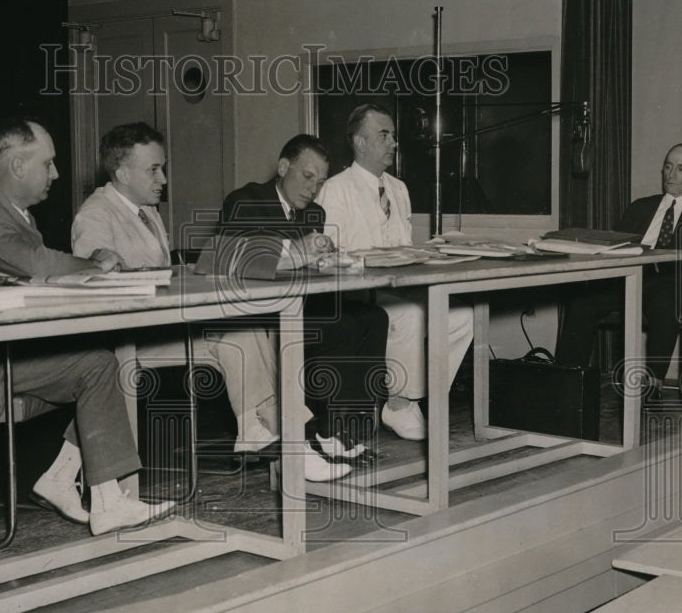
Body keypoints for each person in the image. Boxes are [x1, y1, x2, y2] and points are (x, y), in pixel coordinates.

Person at [0, 117, 174, 535]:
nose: (56, 173)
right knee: (99, 366)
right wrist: (94, 264)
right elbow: (35, 264)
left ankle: (64, 480)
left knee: (99, 367)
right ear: (17, 166)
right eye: (47, 163)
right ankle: (108, 503)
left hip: (3, 353)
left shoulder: (13, 213)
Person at [72, 122, 283, 455]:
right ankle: (275, 424)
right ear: (123, 173)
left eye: (163, 168)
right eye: (154, 170)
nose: (164, 180)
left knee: (247, 324)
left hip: (162, 326)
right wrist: (104, 263)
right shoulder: (95, 214)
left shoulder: (147, 212)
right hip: (127, 339)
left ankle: (259, 424)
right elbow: (92, 277)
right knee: (239, 331)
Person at [219, 134, 391, 481]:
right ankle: (319, 430)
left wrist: (328, 258)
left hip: (297, 304)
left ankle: (342, 430)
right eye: (307, 176)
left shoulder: (315, 213)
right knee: (338, 326)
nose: (313, 188)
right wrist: (300, 250)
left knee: (373, 317)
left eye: (321, 181)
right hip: (257, 312)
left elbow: (309, 267)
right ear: (283, 168)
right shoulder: (245, 200)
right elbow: (239, 260)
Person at [317, 104, 475, 440]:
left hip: (398, 285)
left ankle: (417, 396)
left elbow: (404, 244)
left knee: (461, 315)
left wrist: (431, 250)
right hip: (356, 294)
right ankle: (399, 402)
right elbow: (328, 256)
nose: (393, 143)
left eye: (393, 136)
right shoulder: (336, 189)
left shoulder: (398, 189)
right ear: (359, 142)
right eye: (384, 135)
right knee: (409, 315)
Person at [556, 143, 682, 396]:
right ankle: (566, 380)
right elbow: (618, 246)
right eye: (668, 166)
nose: (671, 174)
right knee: (583, 299)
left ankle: (652, 385)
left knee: (667, 300)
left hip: (671, 284)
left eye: (681, 168)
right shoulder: (640, 207)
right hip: (628, 279)